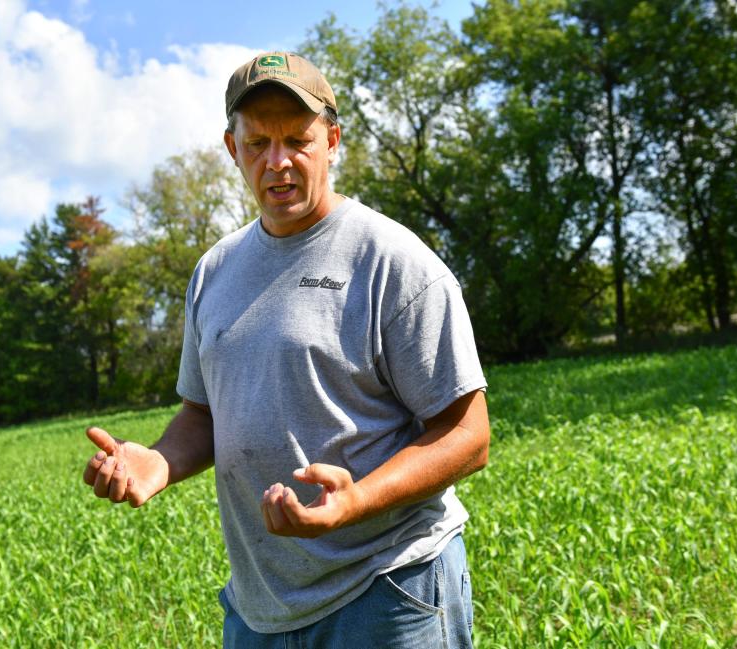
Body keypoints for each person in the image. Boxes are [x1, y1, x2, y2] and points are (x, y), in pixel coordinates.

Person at [82, 51, 490, 648]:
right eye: (257, 144)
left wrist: (357, 501)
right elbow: (204, 412)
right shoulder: (214, 273)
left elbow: (468, 435)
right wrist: (162, 461)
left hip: (386, 589)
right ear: (232, 148)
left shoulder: (393, 264)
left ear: (332, 140)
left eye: (297, 140)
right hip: (260, 609)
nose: (278, 163)